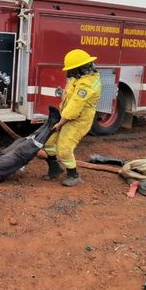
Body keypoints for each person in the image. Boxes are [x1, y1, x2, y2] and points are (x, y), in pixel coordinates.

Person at [43, 49, 102, 187]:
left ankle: (73, 175)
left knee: (64, 148)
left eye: (72, 69)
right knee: (49, 142)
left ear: (81, 68)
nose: (70, 73)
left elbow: (75, 104)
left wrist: (60, 122)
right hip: (66, 116)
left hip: (79, 121)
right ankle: (55, 169)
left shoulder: (87, 84)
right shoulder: (79, 78)